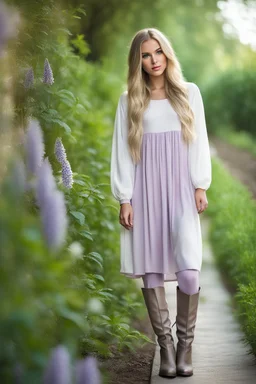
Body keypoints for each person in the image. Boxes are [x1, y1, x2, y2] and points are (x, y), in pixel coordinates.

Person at [110, 27, 212, 378]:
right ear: (137, 60)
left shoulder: (188, 93)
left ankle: (186, 345)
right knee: (151, 273)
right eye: (145, 55)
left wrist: (200, 184)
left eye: (158, 52)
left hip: (182, 191)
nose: (153, 60)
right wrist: (125, 197)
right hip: (144, 193)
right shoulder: (128, 101)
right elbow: (123, 153)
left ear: (167, 53)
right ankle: (166, 350)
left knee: (188, 271)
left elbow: (198, 142)